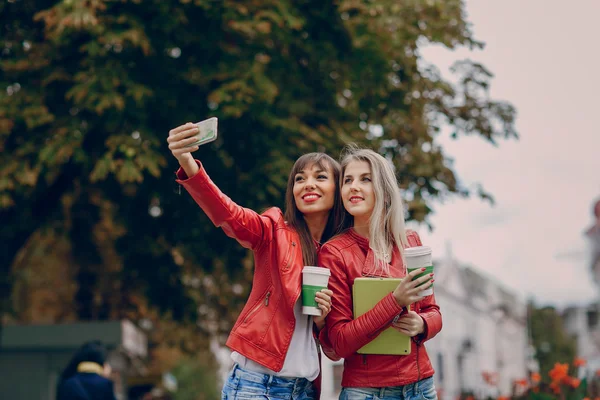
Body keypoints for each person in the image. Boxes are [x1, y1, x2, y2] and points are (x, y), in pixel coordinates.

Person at [167, 122, 346, 399]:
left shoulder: (339, 255)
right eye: (299, 178)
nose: (308, 184)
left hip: (304, 390)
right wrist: (187, 161)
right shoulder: (273, 229)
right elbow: (229, 215)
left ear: (338, 190)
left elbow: (336, 345)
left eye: (320, 177)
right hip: (255, 385)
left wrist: (323, 321)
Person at [318, 146, 442, 400]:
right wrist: (395, 301)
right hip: (366, 391)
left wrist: (422, 324)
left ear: (385, 191)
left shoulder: (410, 242)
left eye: (365, 179)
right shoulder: (335, 252)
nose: (354, 187)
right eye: (348, 180)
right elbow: (340, 342)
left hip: (421, 386)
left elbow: (434, 312)